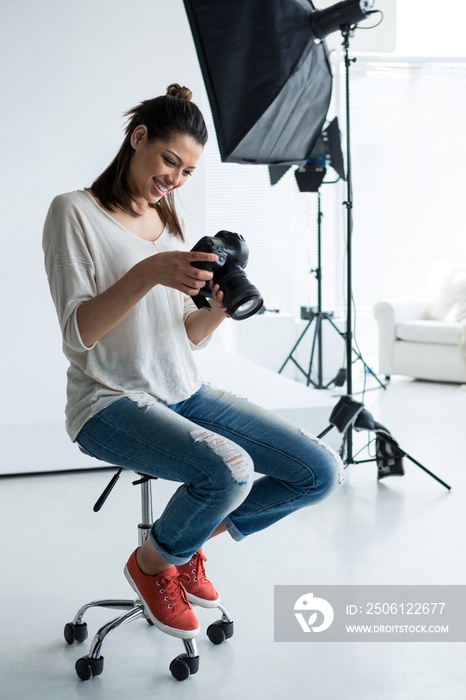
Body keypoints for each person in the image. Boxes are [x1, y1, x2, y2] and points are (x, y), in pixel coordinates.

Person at [43, 83, 345, 641]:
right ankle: (154, 565)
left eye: (187, 172)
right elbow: (76, 333)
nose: (174, 180)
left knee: (319, 471)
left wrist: (219, 312)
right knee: (230, 469)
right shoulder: (74, 212)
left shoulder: (171, 222)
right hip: (108, 401)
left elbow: (185, 334)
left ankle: (181, 546)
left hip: (181, 389)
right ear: (138, 139)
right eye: (169, 162)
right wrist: (148, 272)